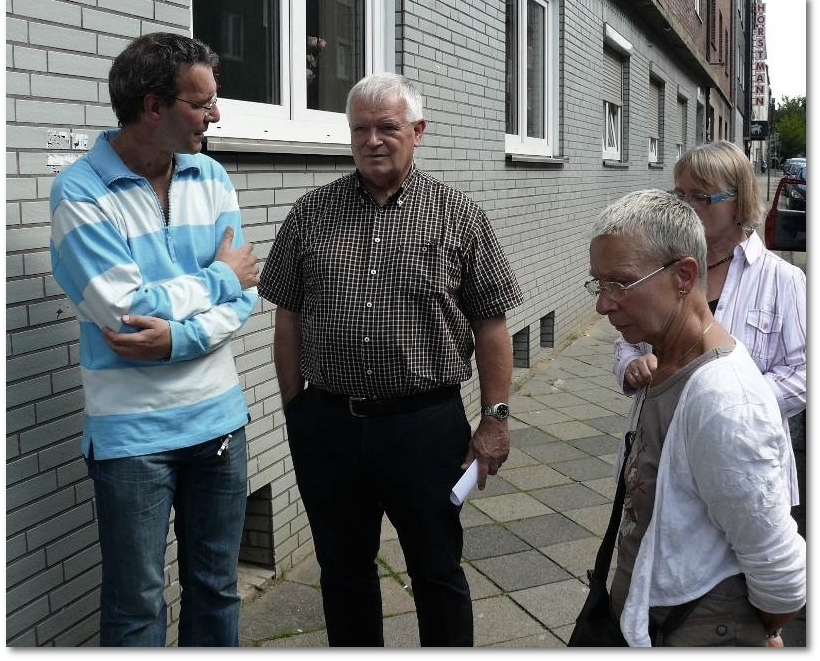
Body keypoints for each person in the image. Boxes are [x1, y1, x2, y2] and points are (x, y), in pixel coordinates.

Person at [257, 72, 522, 647]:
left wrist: (495, 417)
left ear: (417, 132)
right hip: (329, 425)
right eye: (360, 129)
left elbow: (492, 323)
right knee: (344, 571)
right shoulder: (310, 214)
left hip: (424, 427)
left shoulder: (458, 215)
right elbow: (287, 316)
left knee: (436, 570)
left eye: (387, 127)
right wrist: (295, 409)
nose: (372, 140)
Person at [49, 32, 259, 646]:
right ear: (152, 107)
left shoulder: (212, 175)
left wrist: (175, 340)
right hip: (132, 438)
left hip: (219, 422)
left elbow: (246, 296)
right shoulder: (80, 192)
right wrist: (217, 279)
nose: (214, 115)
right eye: (201, 104)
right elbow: (126, 315)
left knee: (216, 589)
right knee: (137, 606)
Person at [586, 189, 805, 647]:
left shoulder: (724, 399)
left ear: (684, 275)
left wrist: (748, 634)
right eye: (598, 284)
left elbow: (781, 574)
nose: (604, 305)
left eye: (620, 283)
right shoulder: (665, 359)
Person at [613, 140, 806, 533]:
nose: (684, 208)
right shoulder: (667, 269)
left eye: (699, 197)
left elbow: (805, 373)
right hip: (659, 449)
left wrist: (732, 402)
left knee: (735, 575)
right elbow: (629, 337)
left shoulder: (781, 279)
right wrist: (630, 363)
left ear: (738, 201)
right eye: (679, 195)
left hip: (741, 461)